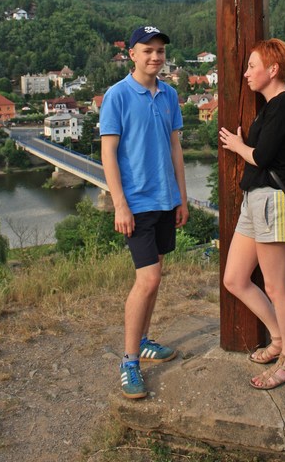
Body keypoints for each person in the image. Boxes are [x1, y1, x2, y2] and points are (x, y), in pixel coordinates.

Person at [100, 25, 189, 399]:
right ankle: (129, 360)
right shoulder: (117, 95)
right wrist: (120, 203)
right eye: (147, 50)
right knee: (148, 280)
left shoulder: (169, 95)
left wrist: (182, 197)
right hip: (136, 204)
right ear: (131, 54)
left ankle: (145, 340)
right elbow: (108, 153)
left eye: (160, 51)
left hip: (165, 199)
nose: (155, 57)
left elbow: (175, 149)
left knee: (157, 275)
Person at [218, 38, 285, 389]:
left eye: (253, 66)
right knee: (235, 279)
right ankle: (279, 339)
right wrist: (246, 144)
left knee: (277, 286)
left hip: (272, 200)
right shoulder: (270, 106)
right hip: (254, 200)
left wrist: (239, 146)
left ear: (272, 70)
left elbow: (263, 155)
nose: (246, 73)